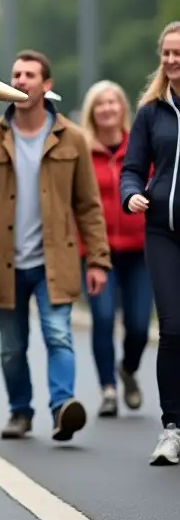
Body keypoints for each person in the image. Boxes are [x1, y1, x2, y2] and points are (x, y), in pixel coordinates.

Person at [0, 50, 110, 443]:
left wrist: (97, 260)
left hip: (53, 259)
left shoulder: (71, 139)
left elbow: (88, 206)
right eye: (16, 74)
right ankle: (20, 411)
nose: (20, 80)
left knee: (58, 334)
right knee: (12, 347)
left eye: (29, 75)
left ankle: (63, 407)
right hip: (3, 259)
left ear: (47, 85)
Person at [120, 20, 180, 465]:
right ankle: (172, 428)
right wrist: (131, 194)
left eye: (178, 53)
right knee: (173, 330)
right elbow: (132, 168)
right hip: (163, 231)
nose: (172, 60)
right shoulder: (151, 113)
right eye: (167, 54)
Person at [77, 80, 152, 418]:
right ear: (92, 111)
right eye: (100, 103)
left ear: (124, 108)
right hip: (97, 253)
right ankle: (108, 389)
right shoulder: (81, 151)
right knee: (104, 318)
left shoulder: (141, 147)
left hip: (141, 250)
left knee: (138, 325)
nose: (107, 108)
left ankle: (129, 370)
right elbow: (74, 203)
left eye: (113, 102)